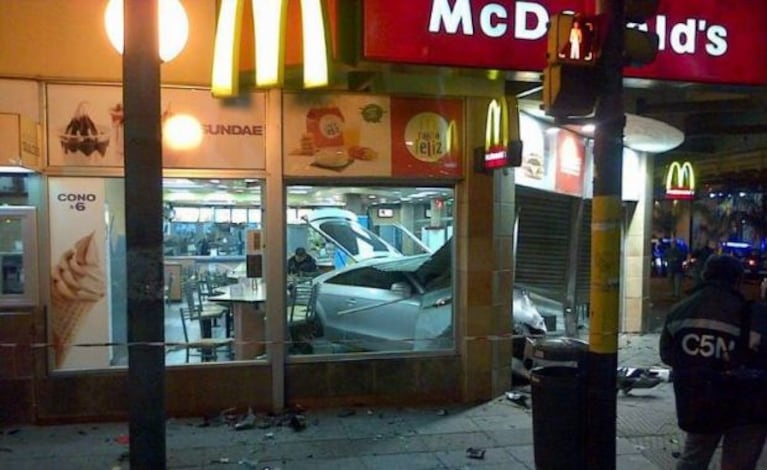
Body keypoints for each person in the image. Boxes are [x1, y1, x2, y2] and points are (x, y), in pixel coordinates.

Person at [660, 254, 766, 469]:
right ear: (738, 280)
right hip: (743, 408)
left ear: (704, 275)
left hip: (698, 403)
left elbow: (667, 355)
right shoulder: (750, 313)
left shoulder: (679, 311)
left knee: (693, 458)